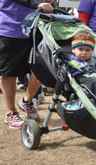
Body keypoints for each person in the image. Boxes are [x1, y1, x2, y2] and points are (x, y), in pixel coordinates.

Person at [0, 0, 53, 129]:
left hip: (36, 29)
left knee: (42, 68)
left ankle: (26, 101)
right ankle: (11, 112)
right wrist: (36, 4)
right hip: (10, 29)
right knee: (9, 72)